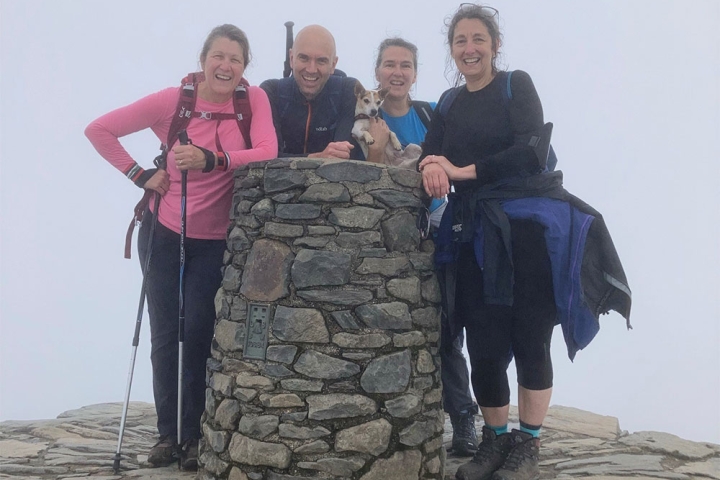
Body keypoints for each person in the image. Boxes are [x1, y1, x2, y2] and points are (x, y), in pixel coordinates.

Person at [419, 5, 631, 480]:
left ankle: (527, 445)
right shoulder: (449, 102)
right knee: (484, 342)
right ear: (452, 49)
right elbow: (432, 152)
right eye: (460, 41)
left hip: (527, 232)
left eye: (478, 39)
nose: (469, 48)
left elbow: (529, 148)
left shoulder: (517, 85)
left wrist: (461, 172)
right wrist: (431, 166)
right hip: (474, 232)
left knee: (531, 335)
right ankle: (494, 442)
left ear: (494, 45)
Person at [85, 24, 277, 469]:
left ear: (245, 67)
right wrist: (141, 175)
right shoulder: (174, 101)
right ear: (203, 59)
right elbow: (99, 130)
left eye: (236, 59)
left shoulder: (253, 102)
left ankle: (193, 436)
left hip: (213, 241)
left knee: (198, 334)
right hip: (165, 232)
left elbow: (268, 150)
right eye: (219, 56)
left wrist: (216, 160)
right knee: (165, 334)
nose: (226, 66)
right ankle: (167, 436)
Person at [373, 36, 479, 457]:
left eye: (405, 65)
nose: (396, 73)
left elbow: (455, 162)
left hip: (436, 229)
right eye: (388, 65)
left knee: (447, 327)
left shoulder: (430, 114)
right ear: (377, 71)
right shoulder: (366, 117)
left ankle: (464, 419)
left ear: (414, 73)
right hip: (382, 238)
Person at [260, 24, 386, 162]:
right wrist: (318, 157)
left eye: (321, 60)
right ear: (291, 59)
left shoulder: (347, 90)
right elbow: (266, 157)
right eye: (304, 58)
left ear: (333, 64)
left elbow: (341, 155)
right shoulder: (271, 91)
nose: (312, 69)